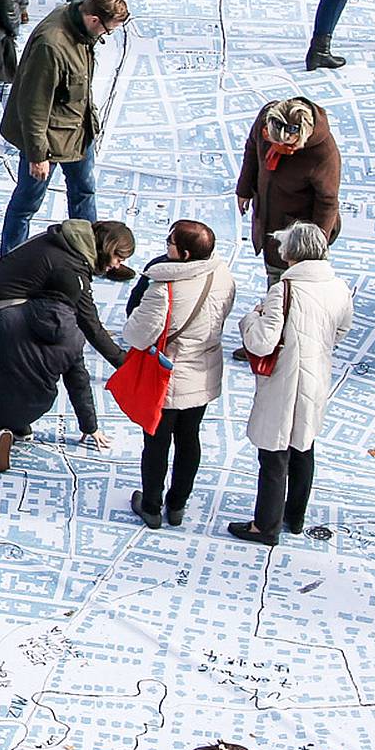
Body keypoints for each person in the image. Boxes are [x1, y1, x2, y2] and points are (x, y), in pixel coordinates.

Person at [227, 223, 354, 545]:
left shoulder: (283, 290)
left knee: (273, 455)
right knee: (303, 447)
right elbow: (341, 331)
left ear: (293, 253)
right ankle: (294, 517)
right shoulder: (339, 287)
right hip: (316, 376)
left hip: (285, 380)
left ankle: (265, 526)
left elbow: (260, 343)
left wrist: (250, 317)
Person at [120, 220, 235, 530]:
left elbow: (136, 335)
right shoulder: (221, 275)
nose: (165, 246)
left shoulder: (164, 288)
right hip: (205, 372)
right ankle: (178, 505)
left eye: (169, 242)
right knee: (189, 438)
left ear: (184, 254)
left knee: (156, 444)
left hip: (169, 378)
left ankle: (152, 506)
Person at [0, 0, 127, 250]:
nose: (106, 35)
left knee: (84, 192)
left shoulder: (79, 23)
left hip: (79, 132)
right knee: (26, 203)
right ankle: (9, 259)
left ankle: (90, 254)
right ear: (94, 20)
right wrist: (37, 155)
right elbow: (33, 105)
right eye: (107, 29)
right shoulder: (52, 45)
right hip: (49, 141)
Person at [0, 293, 101, 474]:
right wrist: (90, 426)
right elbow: (79, 385)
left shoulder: (9, 318)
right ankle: (18, 428)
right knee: (15, 396)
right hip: (34, 408)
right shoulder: (75, 338)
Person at [0, 216, 138, 367]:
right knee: (64, 327)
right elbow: (91, 325)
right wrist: (124, 363)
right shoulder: (73, 267)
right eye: (118, 259)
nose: (118, 266)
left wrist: (107, 266)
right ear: (106, 249)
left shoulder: (69, 238)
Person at [236, 98, 340, 280]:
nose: (278, 148)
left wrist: (312, 250)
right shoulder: (265, 120)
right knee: (273, 271)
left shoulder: (323, 153)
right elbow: (252, 148)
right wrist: (244, 188)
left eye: (288, 145)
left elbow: (328, 202)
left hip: (296, 231)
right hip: (268, 218)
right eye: (273, 140)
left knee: (288, 281)